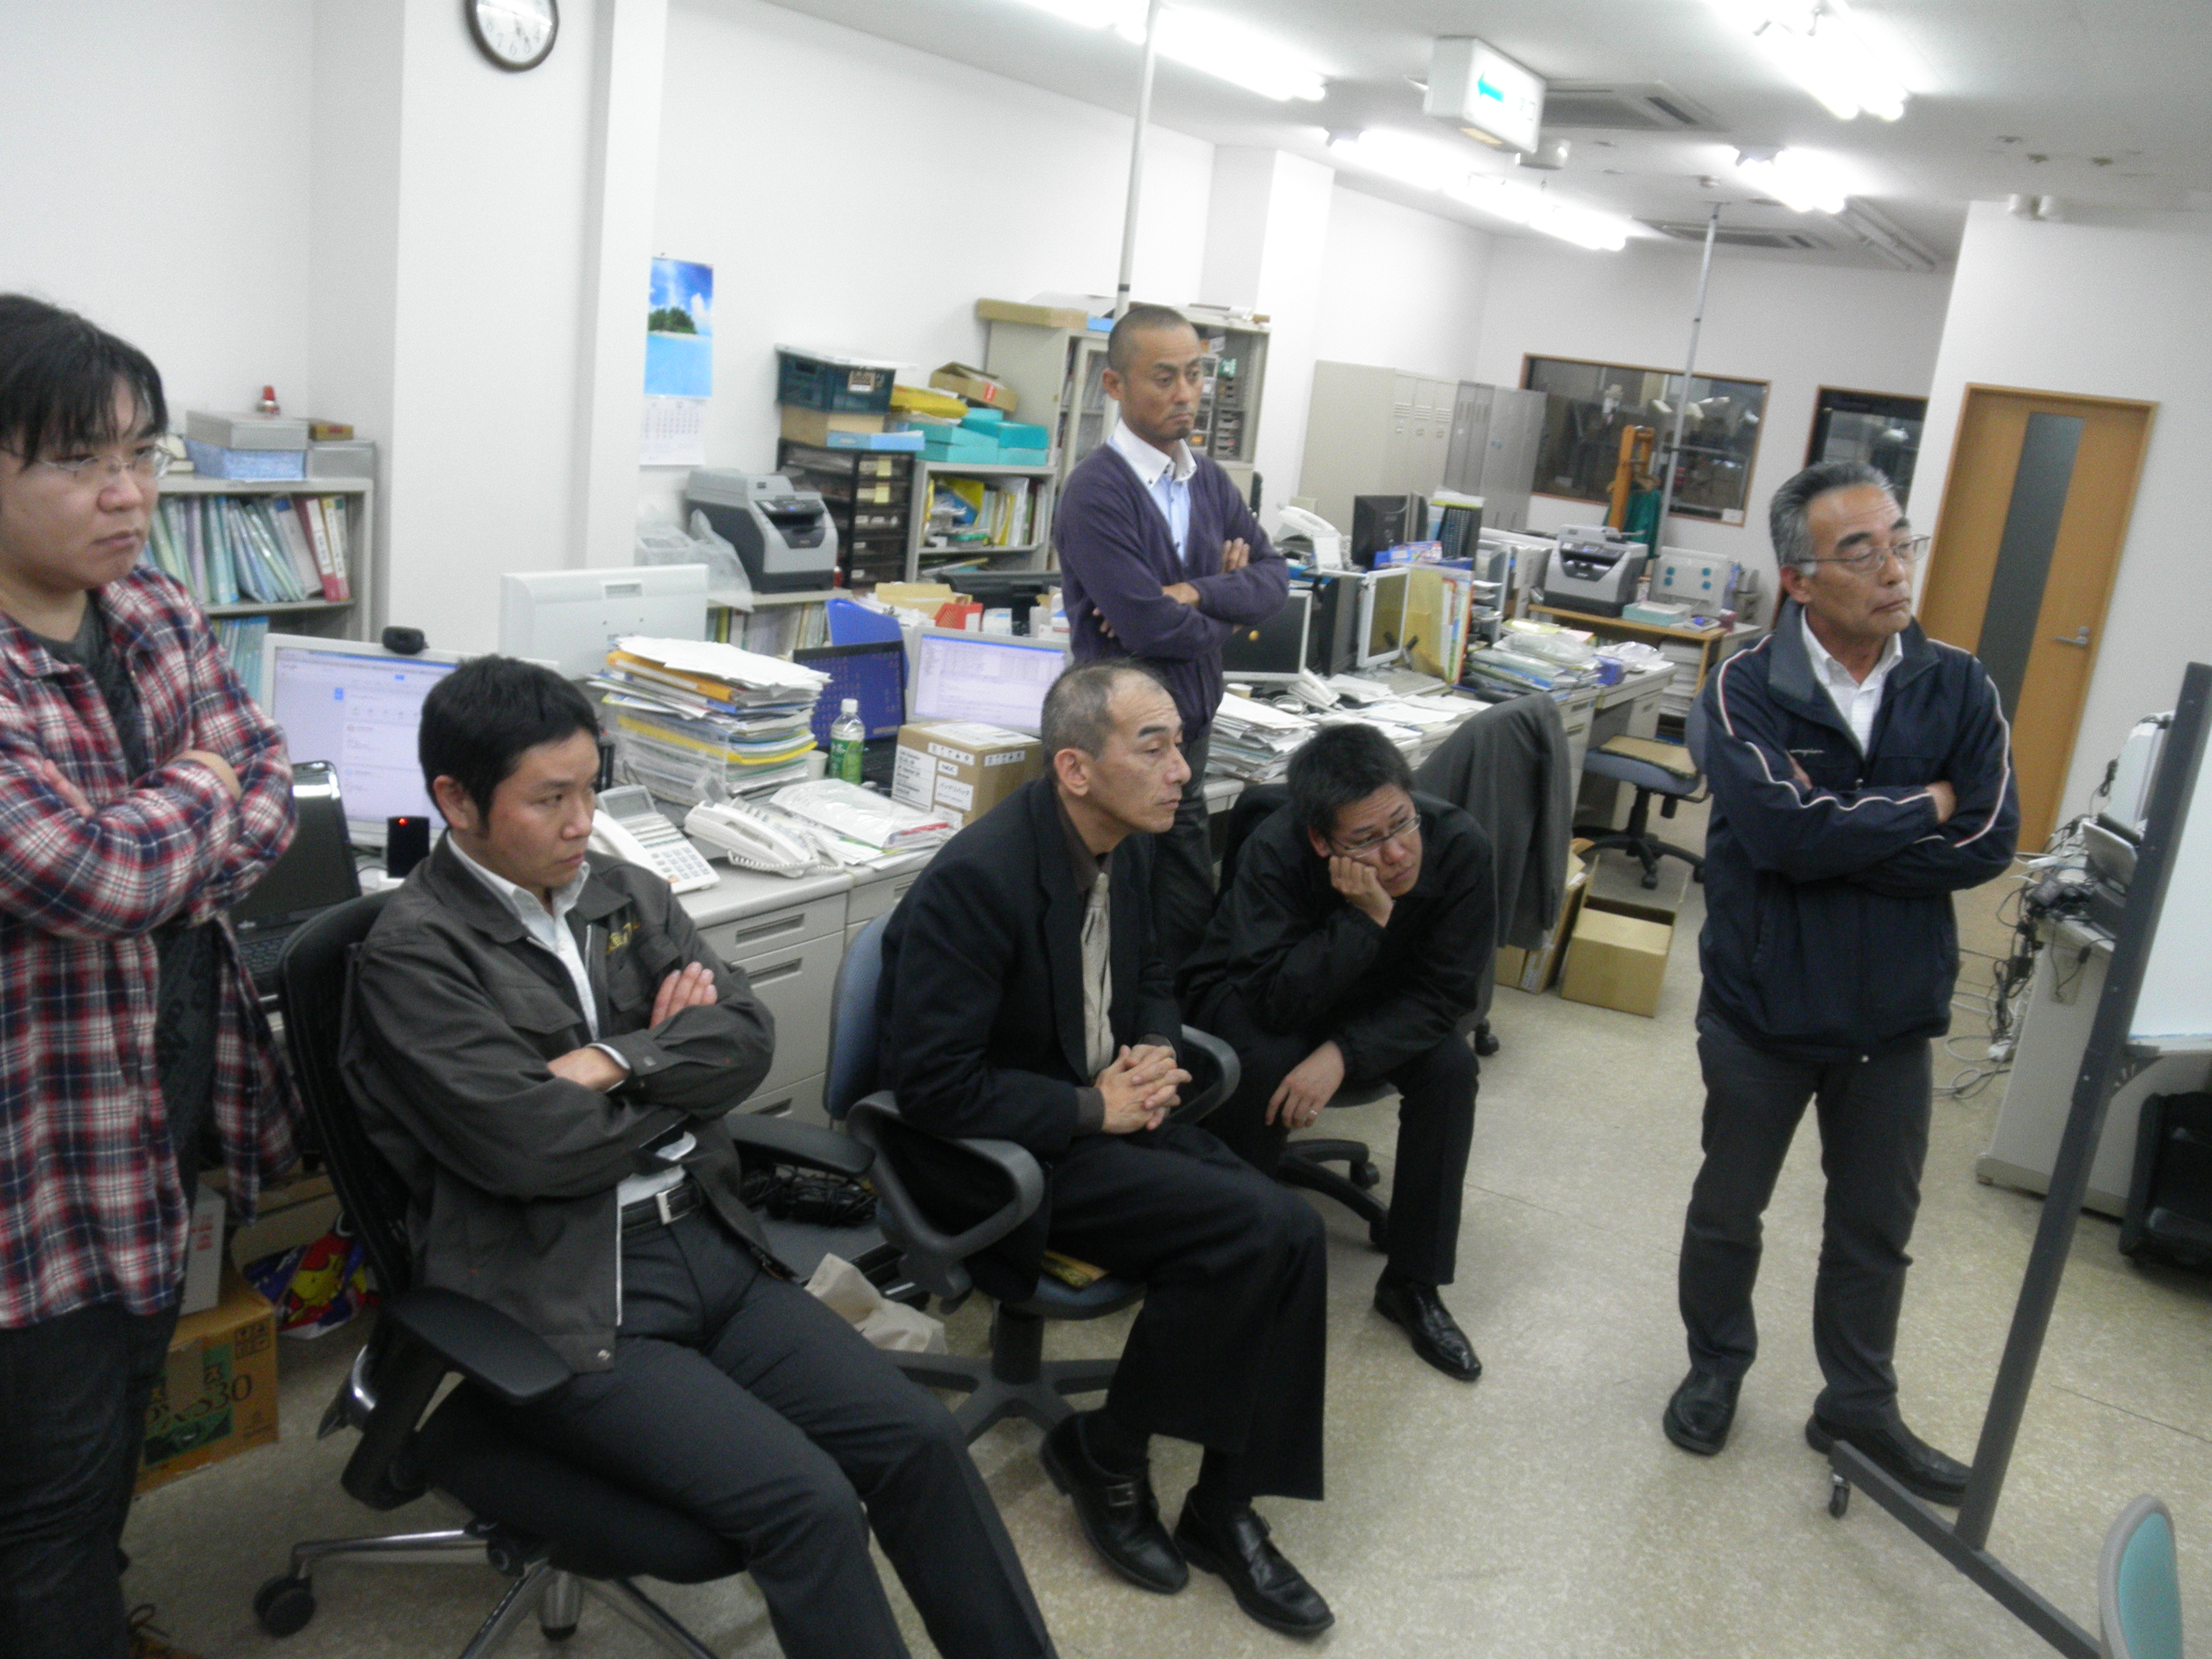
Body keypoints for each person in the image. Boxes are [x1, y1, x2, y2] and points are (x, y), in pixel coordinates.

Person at [340, 656, 1055, 1659]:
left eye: (591, 789)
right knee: (808, 1505)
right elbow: (533, 1148)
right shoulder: (416, 954)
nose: (583, 822)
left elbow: (746, 1042)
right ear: (456, 801)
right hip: (570, 1290)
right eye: (550, 799)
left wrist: (615, 1062)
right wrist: (675, 1080)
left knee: (921, 1441)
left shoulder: (622, 893)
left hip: (712, 1244)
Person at [878, 661, 1335, 1639]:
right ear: (1076, 769)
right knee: (1254, 1229)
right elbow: (933, 1086)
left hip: (1099, 1116)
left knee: (1291, 1233)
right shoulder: (979, 880)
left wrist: (1159, 1046)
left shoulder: (1126, 845)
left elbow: (1155, 972)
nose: (1182, 770)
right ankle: (1111, 1456)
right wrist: (1092, 1107)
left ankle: (1225, 1506)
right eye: (1153, 747)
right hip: (1006, 1152)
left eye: (1179, 744)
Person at [0, 295, 300, 1659]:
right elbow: (90, 876)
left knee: (122, 1411)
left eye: (143, 453)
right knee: (46, 1484)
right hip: (35, 1146)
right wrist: (200, 792)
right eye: (78, 461)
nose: (127, 495)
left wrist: (178, 819)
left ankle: (91, 1617)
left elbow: (270, 778)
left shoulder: (153, 602)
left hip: (156, 1097)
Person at [1663, 461, 2019, 1506]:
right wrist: (1923, 805)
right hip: (1760, 1009)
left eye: (1900, 542)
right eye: (1860, 552)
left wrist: (1834, 844)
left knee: (1873, 1231)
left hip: (1891, 1016)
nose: (1893, 569)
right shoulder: (1741, 685)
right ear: (1799, 579)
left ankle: (1856, 1407)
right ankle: (1715, 1366)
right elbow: (1779, 834)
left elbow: (1988, 839)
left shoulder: (1957, 684)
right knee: (1728, 1209)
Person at [1182, 722, 1494, 1382]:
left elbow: (1446, 996)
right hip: (1263, 987)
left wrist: (1341, 1055)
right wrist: (1365, 917)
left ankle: (1412, 1285)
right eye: (1367, 840)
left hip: (1379, 1001)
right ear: (1322, 841)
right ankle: (1236, 1268)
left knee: (1451, 1068)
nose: (1397, 853)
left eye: (1402, 823)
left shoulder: (1460, 845)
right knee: (1264, 1064)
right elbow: (1271, 998)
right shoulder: (1276, 849)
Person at [1054, 303, 1289, 969]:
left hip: (1190, 731)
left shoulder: (1208, 480)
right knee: (1120, 919)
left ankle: (1173, 1025)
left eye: (1194, 374)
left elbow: (1275, 580)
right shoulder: (1095, 492)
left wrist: (1193, 592)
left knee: (1181, 918)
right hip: (1121, 744)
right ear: (1115, 385)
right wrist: (1229, 604)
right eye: (1164, 378)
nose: (1186, 393)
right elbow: (1146, 625)